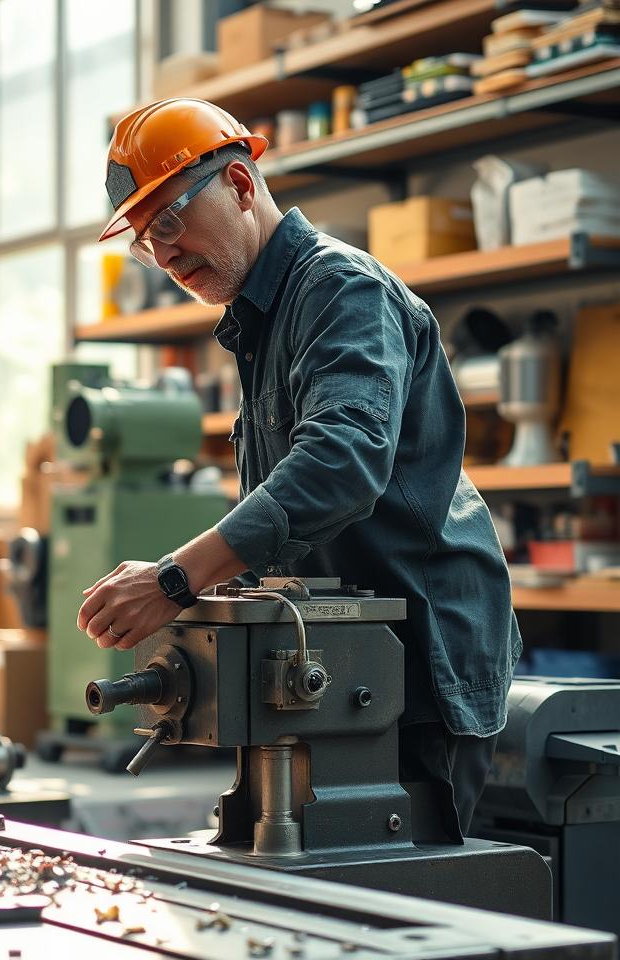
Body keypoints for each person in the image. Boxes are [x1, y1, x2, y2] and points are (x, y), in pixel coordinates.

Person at [76, 97, 521, 841]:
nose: (165, 255)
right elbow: (292, 515)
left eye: (170, 224)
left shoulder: (341, 290)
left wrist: (175, 577)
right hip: (341, 665)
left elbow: (341, 462)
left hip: (417, 669)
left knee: (396, 907)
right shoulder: (264, 320)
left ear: (242, 186)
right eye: (147, 244)